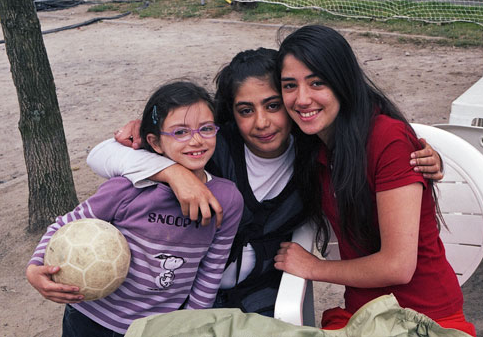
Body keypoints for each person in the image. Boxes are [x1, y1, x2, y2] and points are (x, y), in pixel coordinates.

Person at [85, 48, 445, 317]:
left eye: (273, 105)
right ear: (231, 113)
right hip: (179, 294)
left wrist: (430, 160)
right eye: (246, 110)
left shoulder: (313, 152)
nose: (262, 122)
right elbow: (99, 155)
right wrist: (172, 172)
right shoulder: (211, 144)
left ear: (290, 101)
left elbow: (367, 143)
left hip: (260, 297)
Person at [271, 25, 476, 336]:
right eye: (289, 86)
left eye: (317, 82)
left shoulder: (387, 139)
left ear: (342, 82)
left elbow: (398, 266)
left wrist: (315, 268)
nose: (302, 99)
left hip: (424, 319)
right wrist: (169, 169)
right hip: (361, 315)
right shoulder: (310, 145)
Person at [26, 81, 243, 336]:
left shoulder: (227, 199)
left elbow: (211, 270)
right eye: (180, 132)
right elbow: (66, 224)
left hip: (159, 328)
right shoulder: (127, 187)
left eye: (206, 129)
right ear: (155, 142)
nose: (196, 140)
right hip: (91, 319)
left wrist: (190, 325)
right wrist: (34, 267)